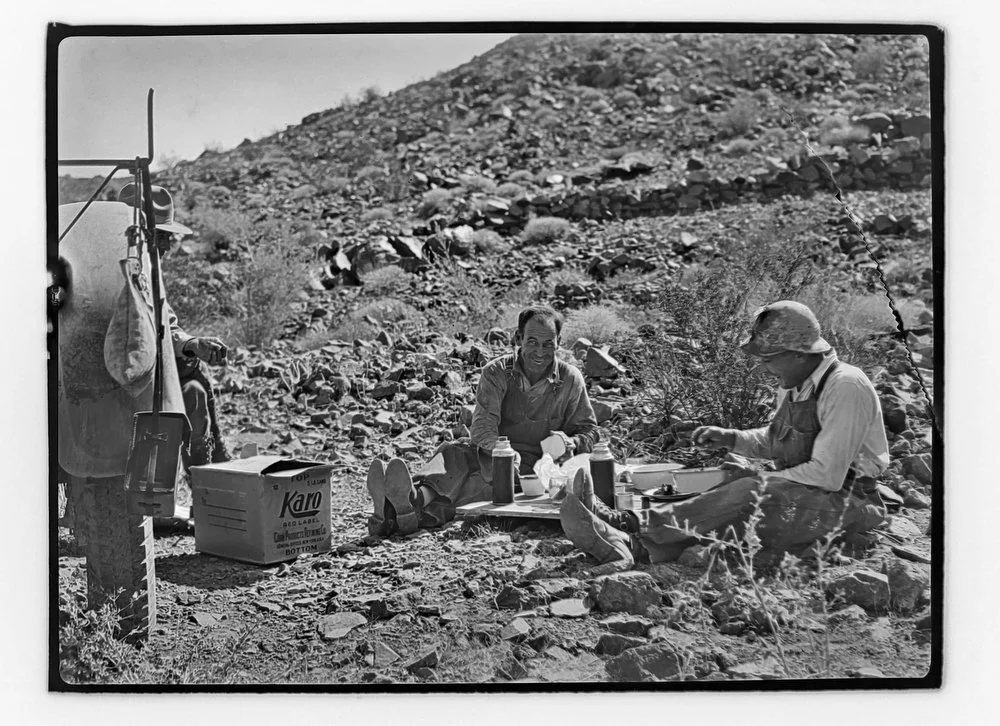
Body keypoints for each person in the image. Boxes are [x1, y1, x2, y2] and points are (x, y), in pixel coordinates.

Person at [560, 300, 890, 568]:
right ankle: (634, 545)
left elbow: (827, 476)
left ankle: (629, 527)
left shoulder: (845, 385)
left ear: (800, 354)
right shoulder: (795, 384)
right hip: (809, 496)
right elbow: (776, 442)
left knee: (750, 491)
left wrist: (759, 482)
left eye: (768, 358)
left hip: (850, 505)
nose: (762, 366)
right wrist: (731, 438)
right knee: (729, 482)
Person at [366, 305, 600, 536]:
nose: (540, 351)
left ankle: (394, 512)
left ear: (559, 341)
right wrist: (504, 453)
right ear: (518, 338)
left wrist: (572, 443)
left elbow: (590, 430)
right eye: (532, 342)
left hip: (539, 472)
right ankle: (409, 505)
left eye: (548, 344)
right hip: (496, 458)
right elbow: (481, 428)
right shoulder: (497, 372)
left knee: (476, 486)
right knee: (454, 453)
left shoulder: (570, 379)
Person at [118, 183, 231, 469]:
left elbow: (167, 327)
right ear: (139, 236)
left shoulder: (149, 275)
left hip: (148, 376)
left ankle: (205, 485)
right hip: (124, 382)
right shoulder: (114, 275)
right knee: (193, 386)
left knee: (195, 390)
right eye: (161, 236)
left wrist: (191, 345)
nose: (168, 245)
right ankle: (213, 466)